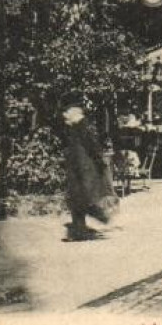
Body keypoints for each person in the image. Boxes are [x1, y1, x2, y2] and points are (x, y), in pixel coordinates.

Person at [61, 90, 118, 241]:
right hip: (77, 167)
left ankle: (94, 221)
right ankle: (80, 230)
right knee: (76, 199)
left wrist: (99, 163)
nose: (64, 115)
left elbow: (92, 146)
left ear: (75, 112)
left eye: (67, 111)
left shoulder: (82, 125)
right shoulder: (73, 126)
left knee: (82, 198)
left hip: (84, 169)